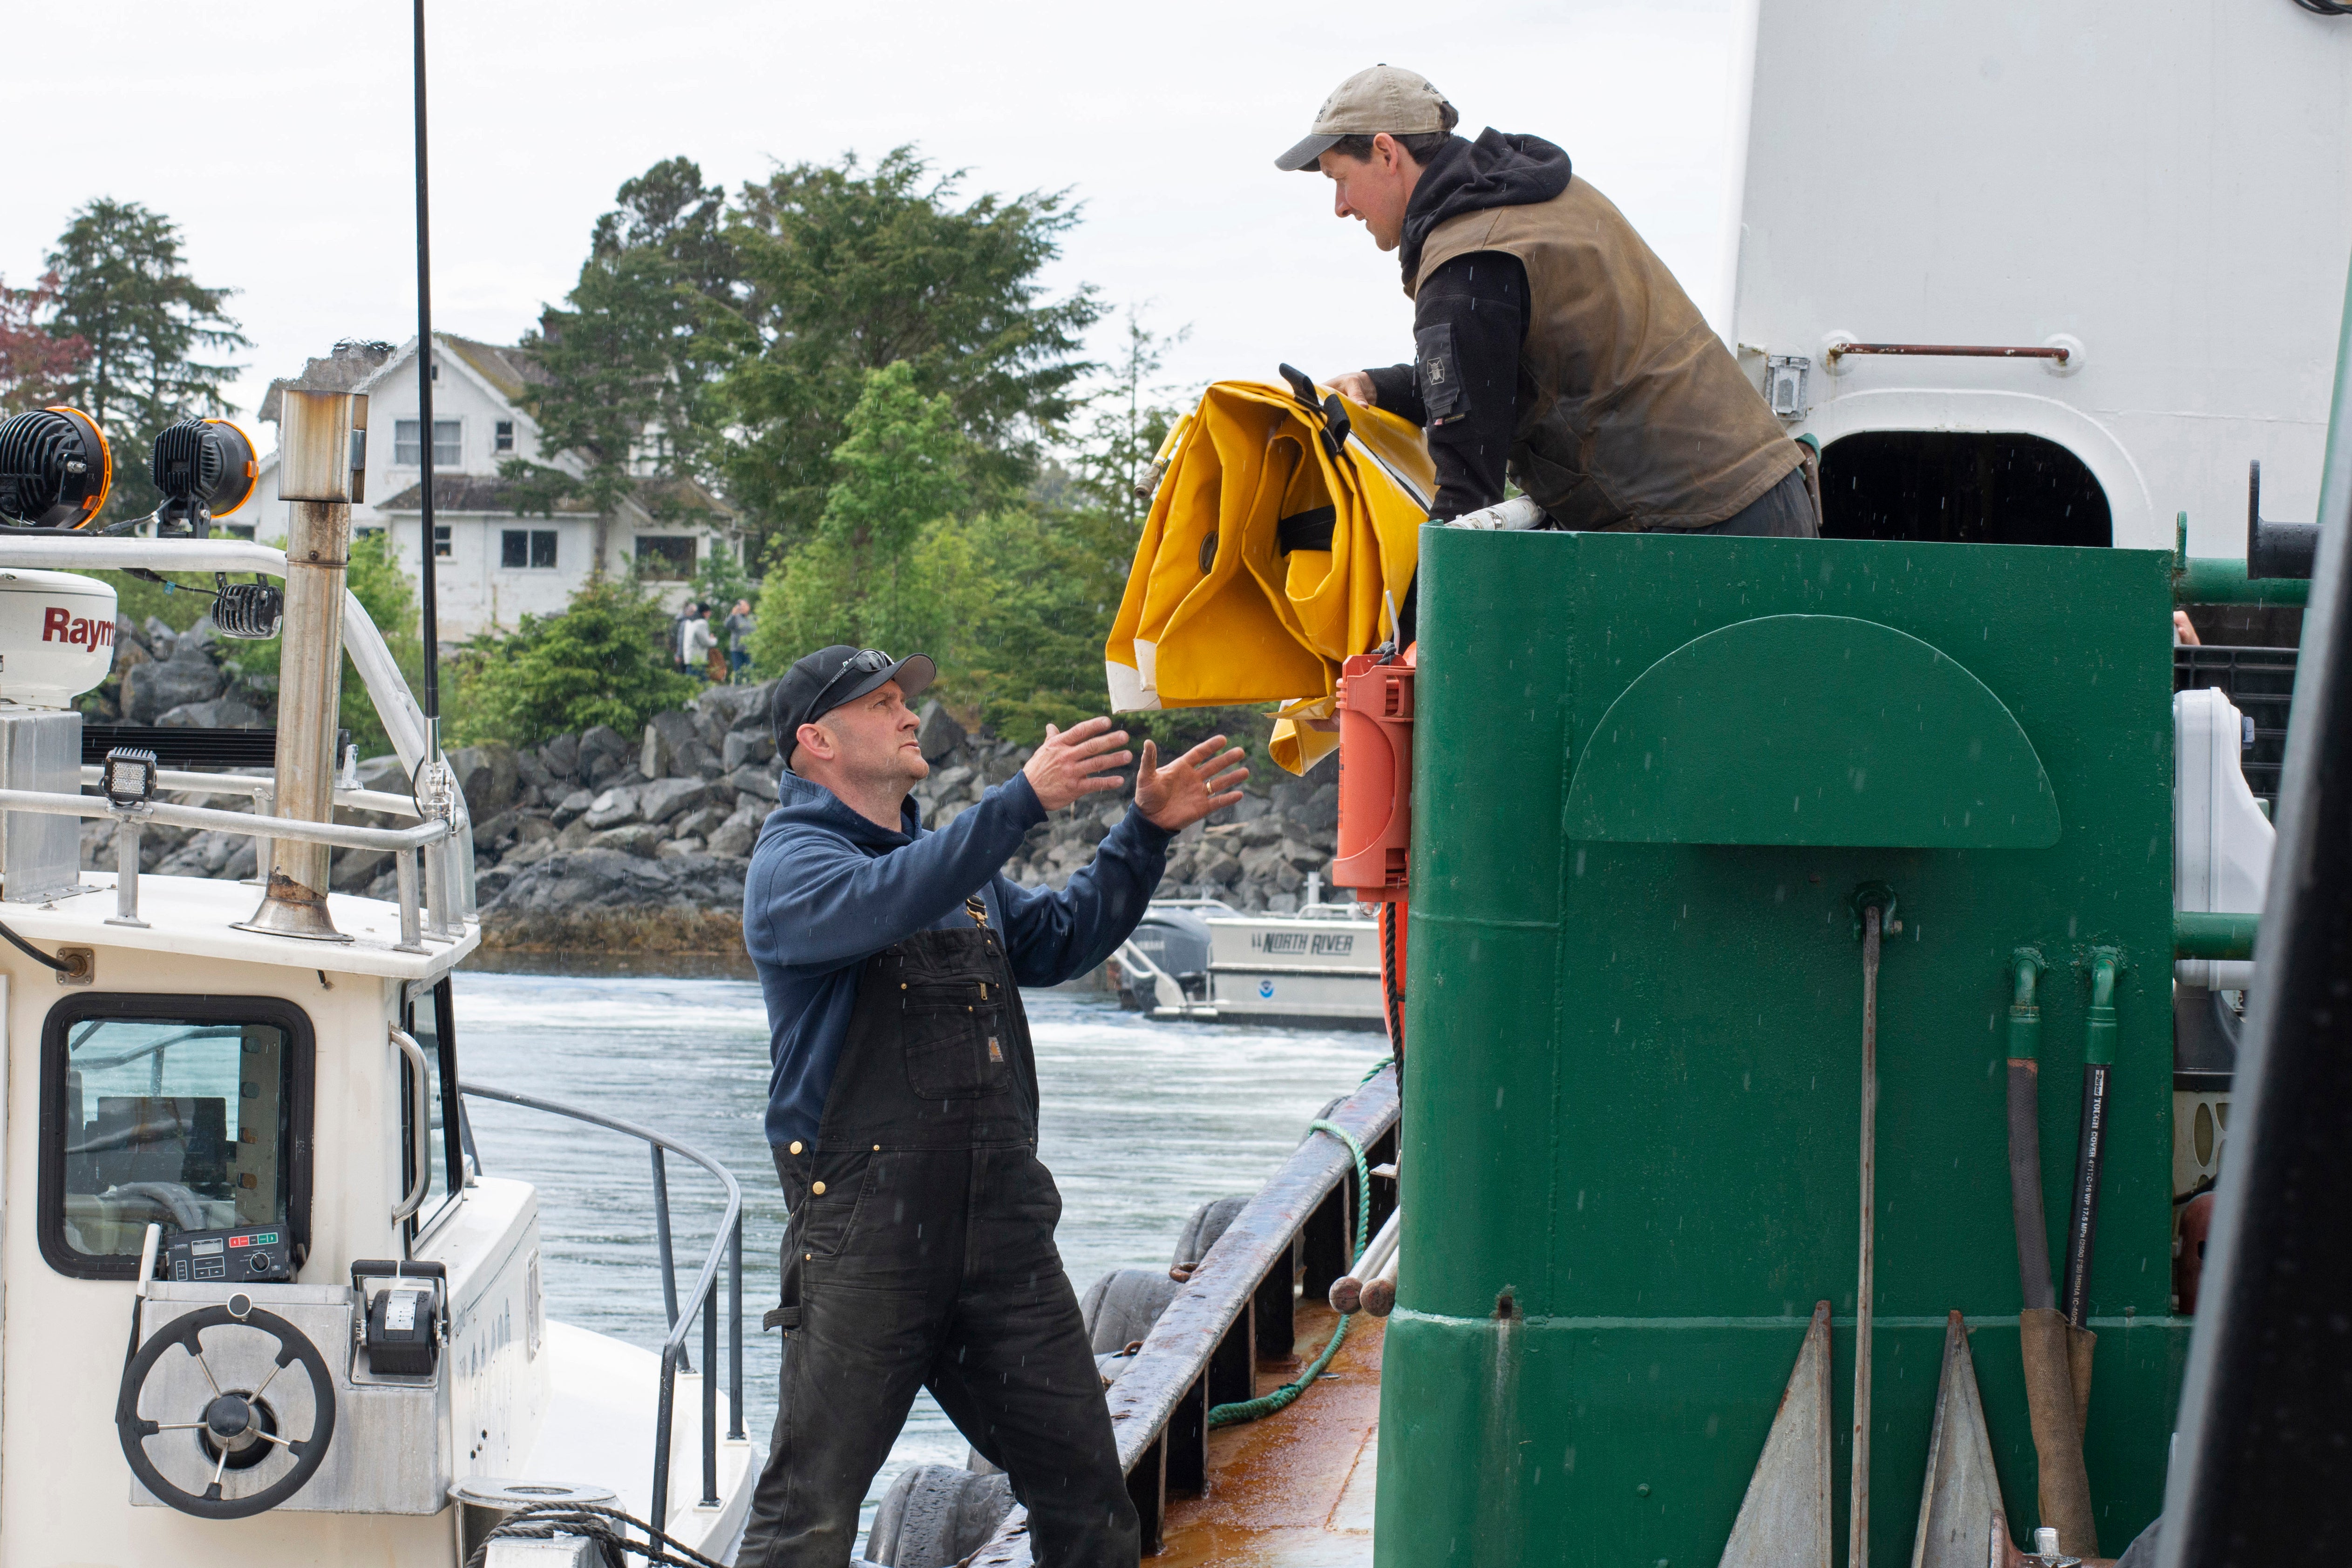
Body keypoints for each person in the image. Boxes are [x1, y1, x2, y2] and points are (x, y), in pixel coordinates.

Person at [737, 644, 1247, 1568]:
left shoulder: (953, 871)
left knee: (1088, 1500)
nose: (906, 715)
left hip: (1002, 1245)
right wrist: (1018, 801)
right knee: (807, 1515)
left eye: (905, 698)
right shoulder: (792, 868)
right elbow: (885, 898)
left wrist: (1142, 831)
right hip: (865, 1250)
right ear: (814, 740)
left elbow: (1057, 938)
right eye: (882, 702)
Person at [1279, 66, 1817, 635]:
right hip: (1766, 504)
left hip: (1701, 534)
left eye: (1340, 179)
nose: (1340, 206)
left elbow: (1466, 498)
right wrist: (1380, 385)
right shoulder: (1529, 200)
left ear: (1387, 153)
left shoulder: (1468, 260)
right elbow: (1506, 379)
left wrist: (1403, 653)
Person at [680, 601, 719, 683]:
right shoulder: (701, 623)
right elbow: (705, 642)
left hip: (690, 658)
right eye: (709, 612)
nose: (710, 614)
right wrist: (714, 640)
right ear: (705, 613)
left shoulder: (690, 622)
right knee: (701, 684)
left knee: (692, 683)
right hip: (698, 659)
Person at [725, 598, 757, 681]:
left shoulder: (753, 618)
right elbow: (727, 626)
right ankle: (737, 691)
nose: (742, 608)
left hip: (750, 650)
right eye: (740, 606)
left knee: (750, 673)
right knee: (738, 673)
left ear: (749, 607)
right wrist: (733, 614)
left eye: (744, 606)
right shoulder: (735, 617)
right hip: (737, 650)